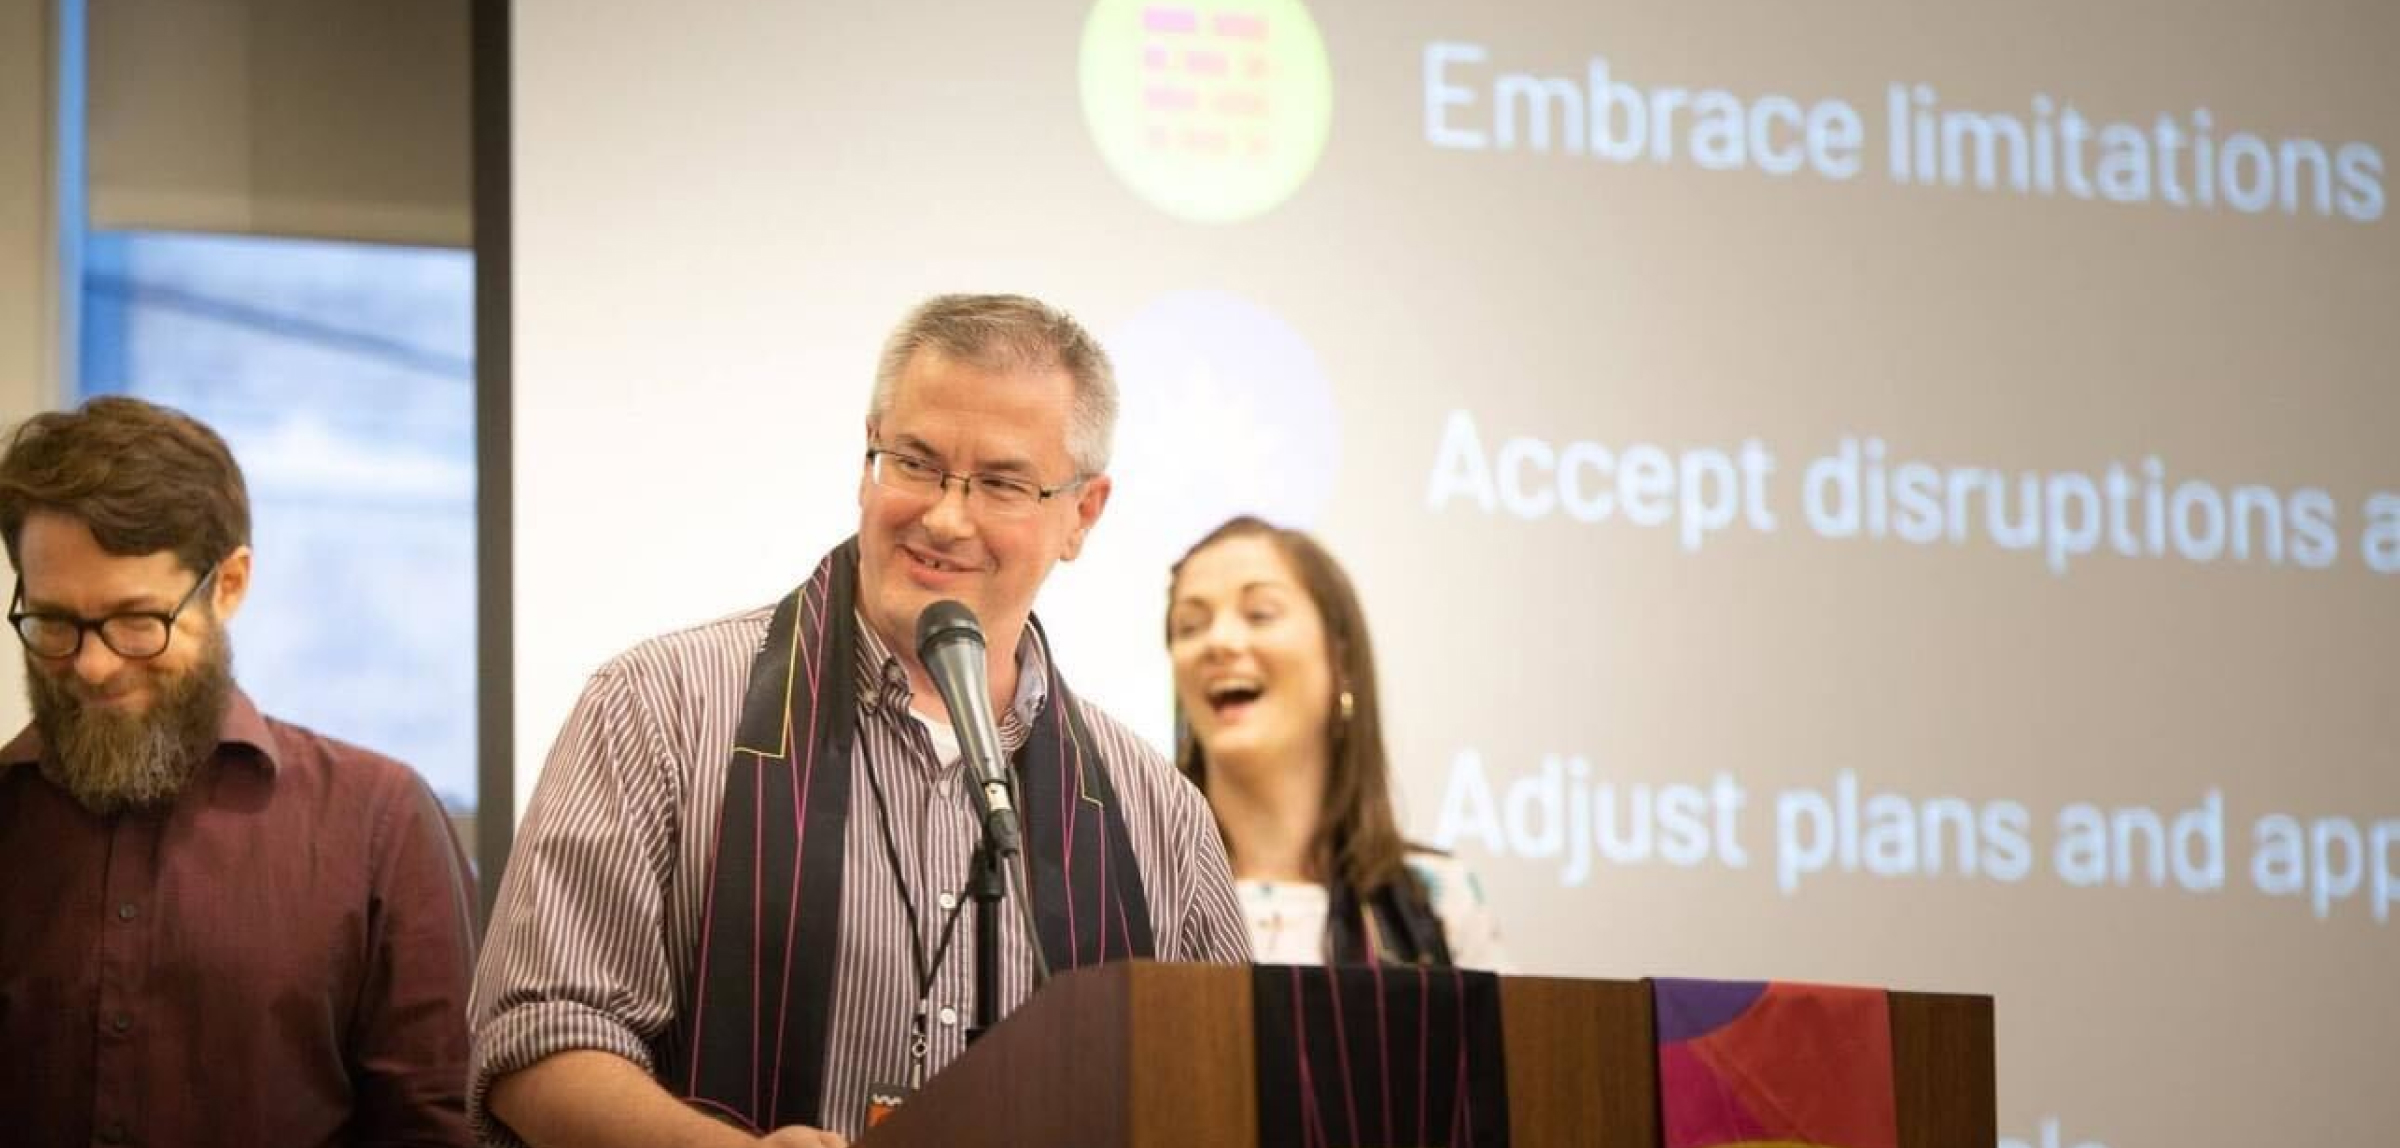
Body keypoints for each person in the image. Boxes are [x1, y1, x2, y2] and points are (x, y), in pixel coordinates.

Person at [470, 294, 1250, 1148]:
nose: (946, 517)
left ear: (1083, 514)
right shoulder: (661, 707)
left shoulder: (1157, 815)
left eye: (1001, 483)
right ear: (865, 456)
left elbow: (1223, 1094)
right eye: (913, 462)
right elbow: (535, 1041)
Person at [0, 396, 479, 1147]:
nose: (91, 665)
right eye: (56, 623)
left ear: (228, 585)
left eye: (135, 620)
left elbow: (438, 1127)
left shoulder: (378, 824)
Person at [1166, 516, 1508, 970]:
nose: (1220, 642)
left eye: (1260, 614)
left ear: (1341, 659)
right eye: (1190, 626)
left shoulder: (1437, 902)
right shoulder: (1138, 891)